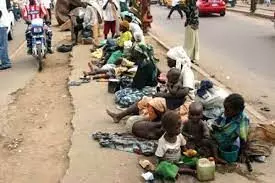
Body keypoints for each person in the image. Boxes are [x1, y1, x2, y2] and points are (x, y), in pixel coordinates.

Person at [211, 93, 250, 162]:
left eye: (228, 110)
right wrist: (215, 126)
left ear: (239, 110)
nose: (225, 112)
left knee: (212, 147)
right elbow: (218, 121)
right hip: (217, 135)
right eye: (225, 109)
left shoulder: (243, 120)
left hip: (226, 141)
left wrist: (242, 152)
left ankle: (216, 157)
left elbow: (243, 139)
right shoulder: (225, 113)